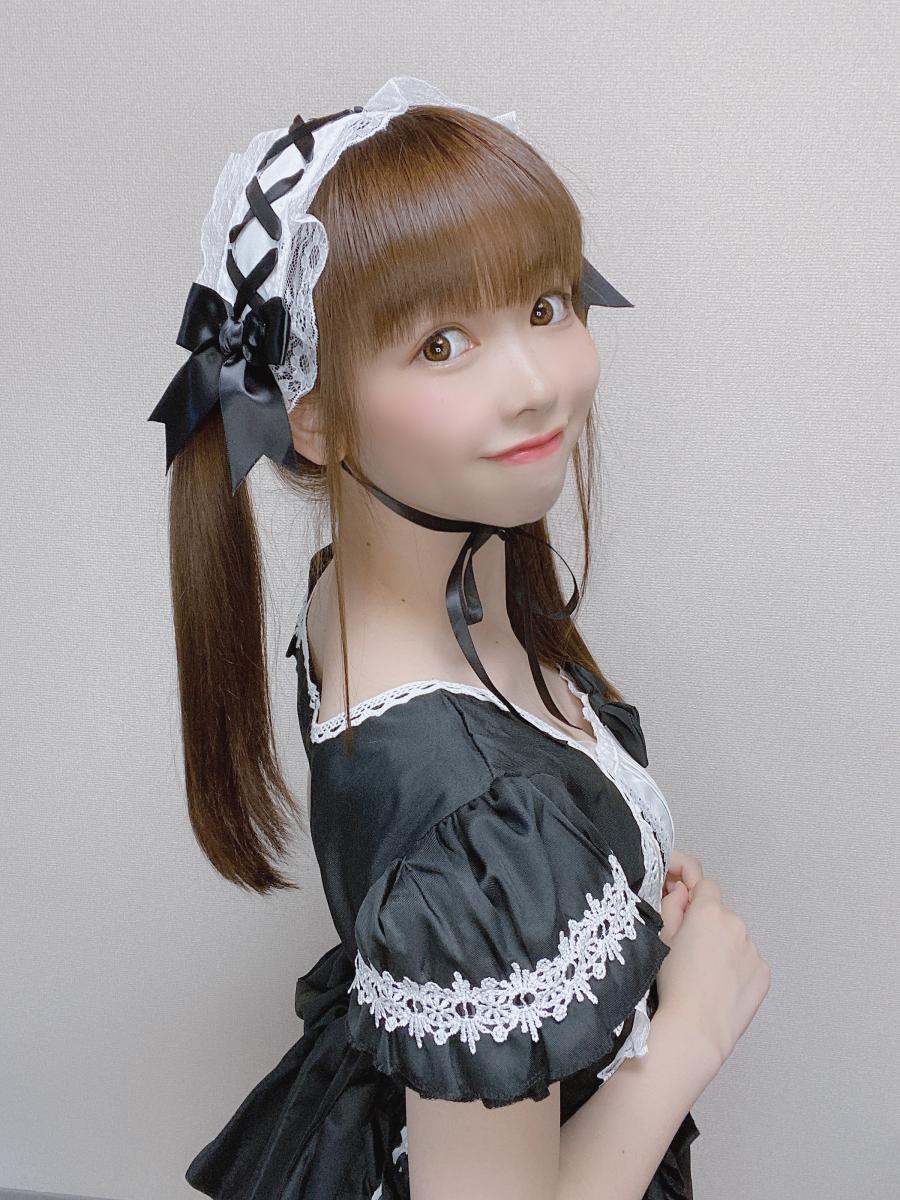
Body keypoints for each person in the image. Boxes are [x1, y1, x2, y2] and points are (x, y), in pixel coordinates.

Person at [150, 76, 771, 1200]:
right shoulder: (472, 823)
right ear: (311, 411)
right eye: (441, 344)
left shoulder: (379, 593)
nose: (538, 385)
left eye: (545, 306)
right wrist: (689, 1033)